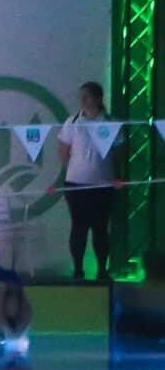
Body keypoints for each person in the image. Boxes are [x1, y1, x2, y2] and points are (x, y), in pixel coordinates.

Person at [55, 81, 115, 282]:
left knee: (100, 229)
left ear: (98, 99)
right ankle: (78, 270)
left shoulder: (110, 123)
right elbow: (63, 152)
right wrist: (80, 169)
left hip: (103, 185)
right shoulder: (72, 122)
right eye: (81, 96)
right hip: (76, 184)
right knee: (79, 228)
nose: (82, 100)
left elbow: (119, 151)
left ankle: (102, 270)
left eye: (86, 96)